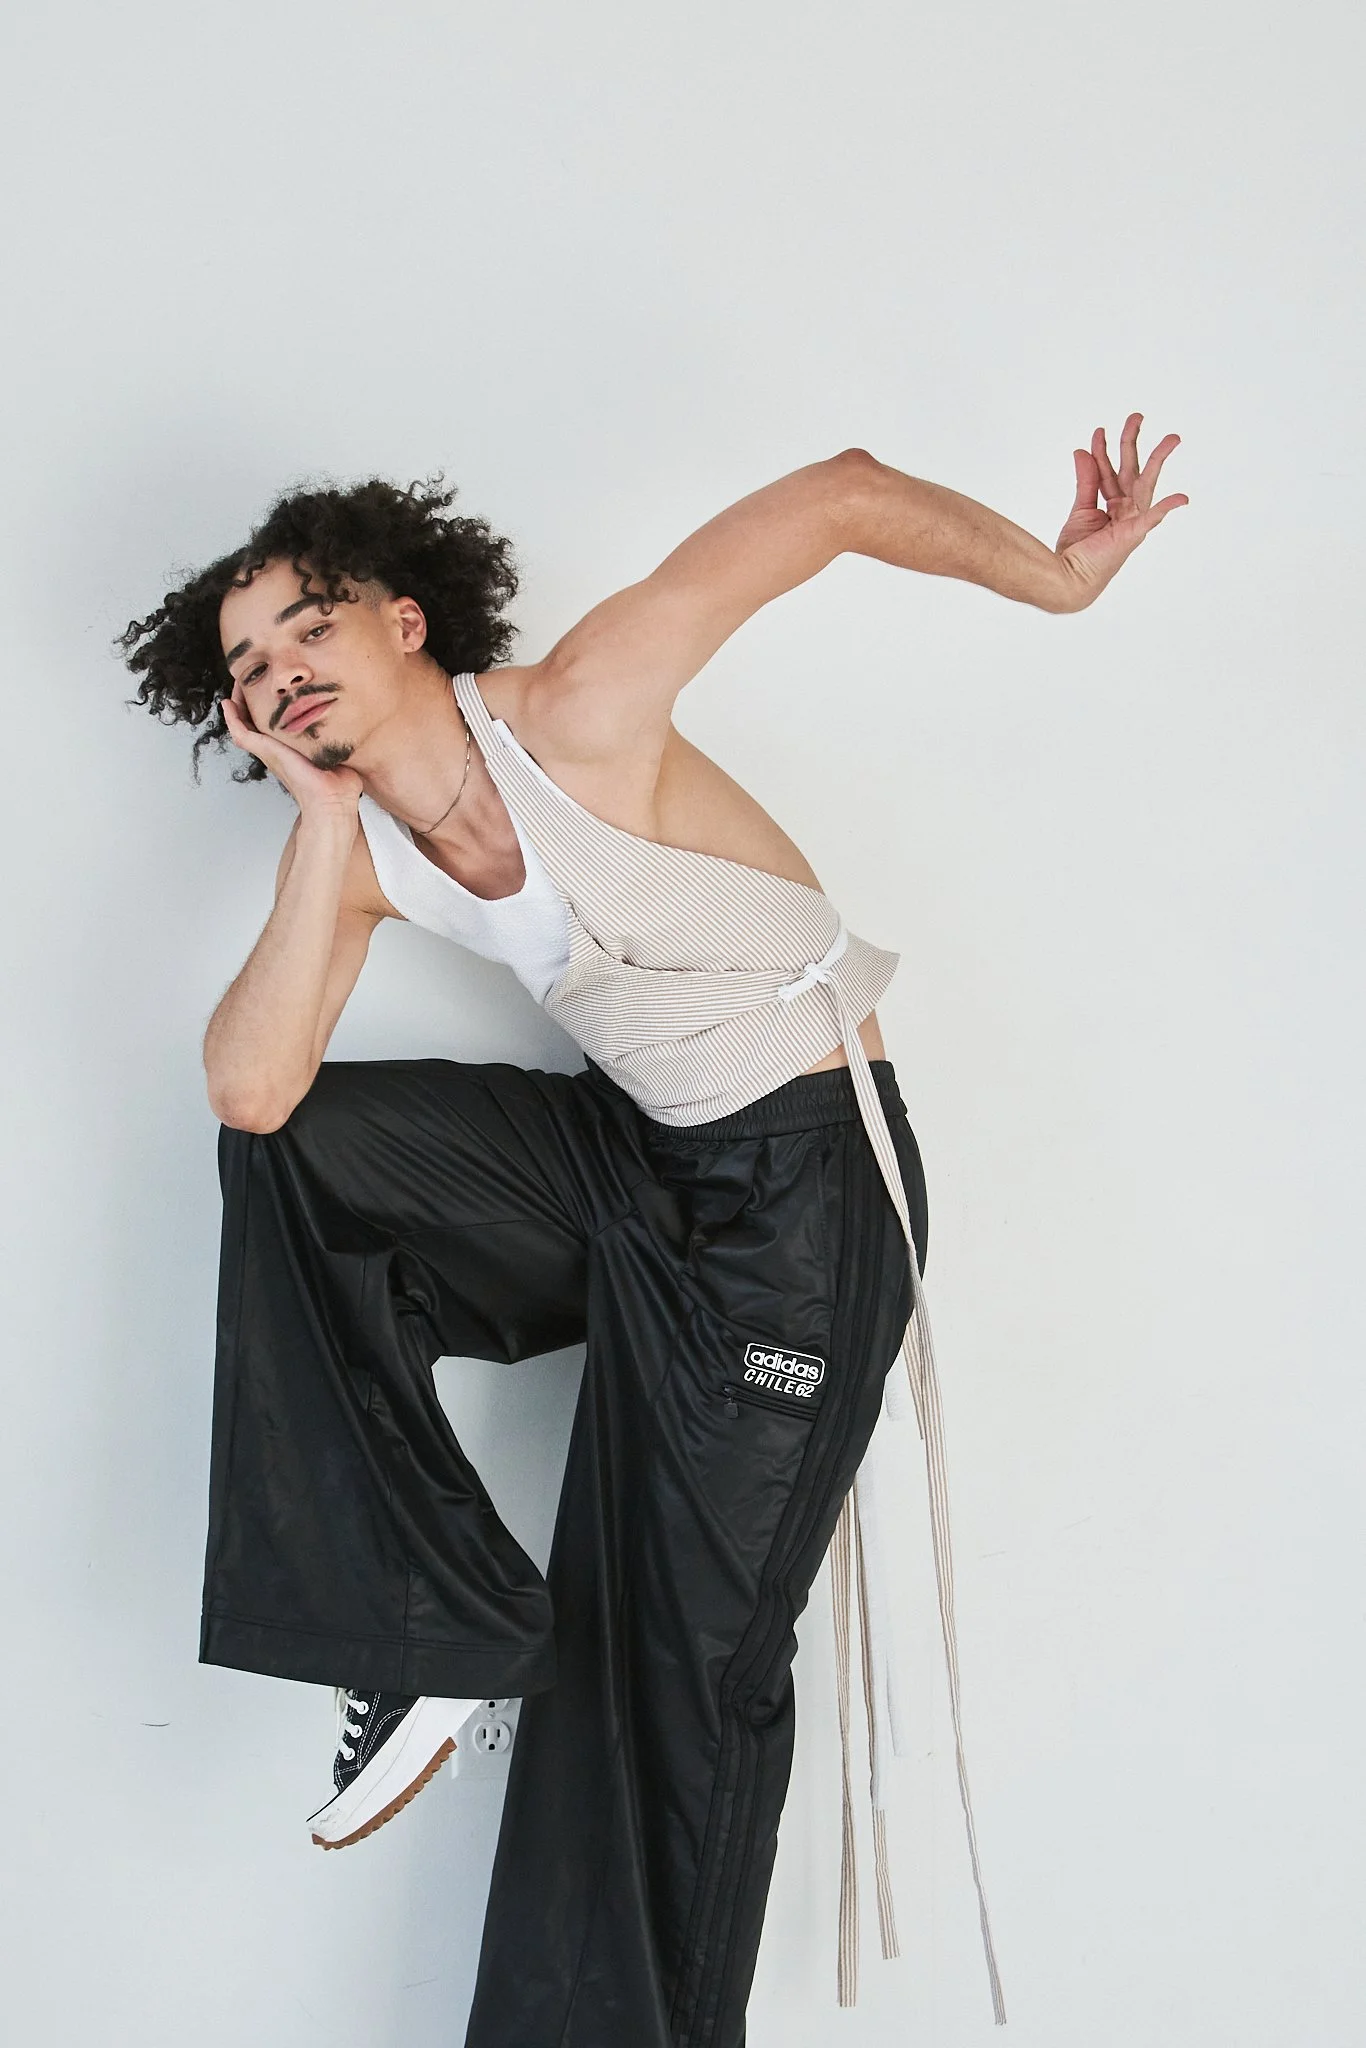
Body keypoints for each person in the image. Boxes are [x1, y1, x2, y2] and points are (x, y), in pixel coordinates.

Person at [120, 425, 1186, 2048]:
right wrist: (324, 830)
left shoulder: (579, 708)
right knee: (302, 1153)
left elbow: (830, 493)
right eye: (246, 671)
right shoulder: (359, 860)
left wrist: (1057, 579)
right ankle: (427, 1635)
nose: (276, 678)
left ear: (406, 620)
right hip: (640, 1169)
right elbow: (253, 1093)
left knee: (664, 1681)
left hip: (804, 1209)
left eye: (307, 627)